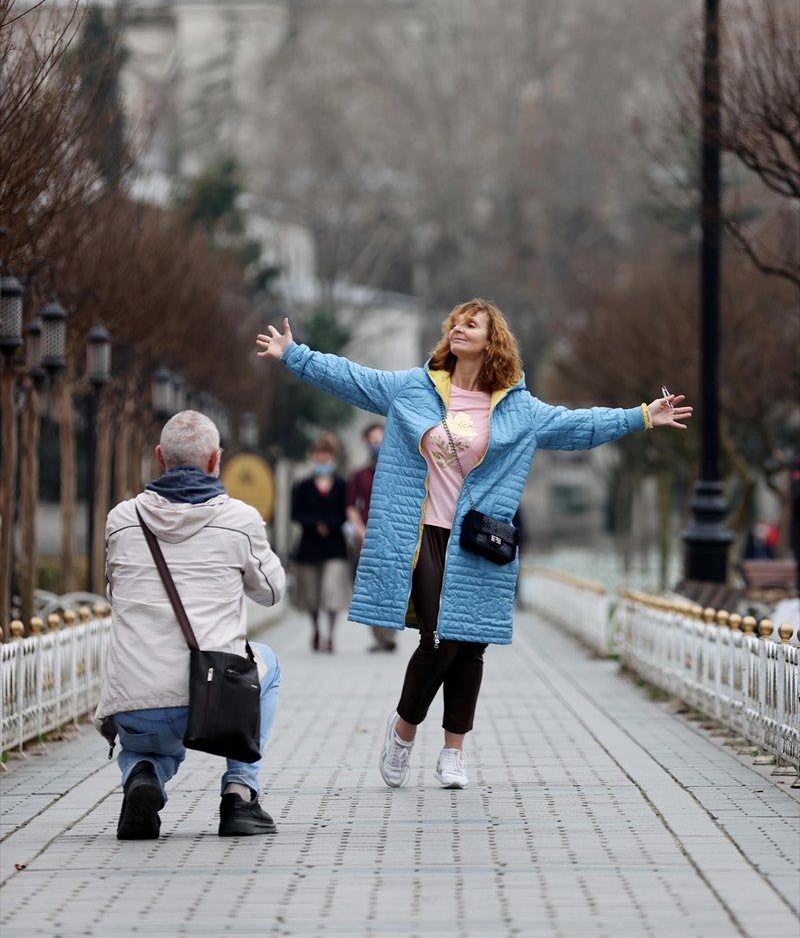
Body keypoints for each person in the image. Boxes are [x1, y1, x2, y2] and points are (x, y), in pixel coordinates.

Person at [257, 300, 692, 791]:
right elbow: (352, 378)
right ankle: (403, 731)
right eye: (456, 323)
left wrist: (641, 416)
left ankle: (452, 752)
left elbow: (578, 427)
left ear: (493, 340)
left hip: (478, 538)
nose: (459, 329)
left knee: (470, 645)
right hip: (422, 536)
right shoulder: (413, 389)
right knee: (440, 636)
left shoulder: (518, 408)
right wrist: (294, 354)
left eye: (472, 324)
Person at [94, 410, 286, 841]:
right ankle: (240, 794)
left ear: (160, 457)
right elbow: (272, 593)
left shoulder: (121, 519)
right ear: (216, 460)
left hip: (135, 702)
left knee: (147, 745)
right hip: (213, 702)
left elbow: (114, 592)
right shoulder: (240, 519)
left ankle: (143, 775)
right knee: (269, 663)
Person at [291, 433, 351, 653]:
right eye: (319, 453)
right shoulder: (303, 485)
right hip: (309, 546)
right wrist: (314, 524)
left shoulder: (342, 485)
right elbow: (295, 513)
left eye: (326, 453)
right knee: (312, 595)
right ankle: (316, 628)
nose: (323, 457)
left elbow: (347, 512)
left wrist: (330, 524)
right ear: (313, 456)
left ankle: (331, 635)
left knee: (332, 592)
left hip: (335, 546)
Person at [346, 422, 398, 653]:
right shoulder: (358, 475)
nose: (377, 444)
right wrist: (361, 529)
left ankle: (389, 633)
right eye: (373, 440)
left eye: (381, 439)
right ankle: (378, 635)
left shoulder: (398, 471)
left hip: (393, 536)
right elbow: (351, 506)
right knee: (369, 587)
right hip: (366, 537)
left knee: (391, 585)